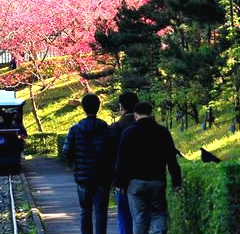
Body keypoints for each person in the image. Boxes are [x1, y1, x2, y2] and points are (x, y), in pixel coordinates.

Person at [113, 101, 182, 234]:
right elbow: (171, 160)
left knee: (140, 218)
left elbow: (122, 160)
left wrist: (119, 182)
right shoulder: (162, 132)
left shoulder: (129, 132)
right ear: (151, 114)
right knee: (158, 213)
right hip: (157, 180)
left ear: (136, 115)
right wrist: (176, 182)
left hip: (135, 182)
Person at [63, 93, 114, 234]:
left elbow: (67, 151)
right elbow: (112, 151)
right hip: (102, 176)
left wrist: (77, 161)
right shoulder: (106, 129)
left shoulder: (75, 129)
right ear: (98, 107)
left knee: (85, 211)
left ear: (83, 108)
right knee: (101, 211)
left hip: (84, 178)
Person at [110, 91, 138, 234]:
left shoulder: (115, 128)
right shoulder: (143, 126)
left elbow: (109, 154)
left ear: (121, 107)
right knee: (141, 216)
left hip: (121, 178)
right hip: (143, 175)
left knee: (124, 214)